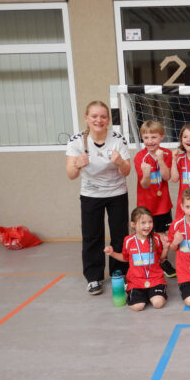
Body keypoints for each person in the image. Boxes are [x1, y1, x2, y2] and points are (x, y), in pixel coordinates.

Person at [66, 100, 131, 295]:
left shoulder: (118, 139)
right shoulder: (76, 141)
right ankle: (94, 277)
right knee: (92, 235)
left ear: (108, 120)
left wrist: (120, 162)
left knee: (119, 234)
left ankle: (119, 271)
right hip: (91, 194)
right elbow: (71, 174)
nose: (98, 120)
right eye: (94, 116)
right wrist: (77, 164)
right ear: (86, 118)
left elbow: (127, 171)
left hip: (117, 193)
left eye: (103, 116)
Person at [104, 207, 168, 311]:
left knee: (158, 303)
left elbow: (161, 259)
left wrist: (165, 248)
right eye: (143, 223)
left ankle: (153, 294)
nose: (147, 226)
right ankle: (141, 294)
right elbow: (125, 258)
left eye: (150, 222)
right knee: (137, 306)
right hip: (136, 281)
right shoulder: (128, 241)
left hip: (155, 279)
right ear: (133, 224)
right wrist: (112, 253)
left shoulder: (156, 238)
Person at [134, 120, 176, 278]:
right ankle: (149, 263)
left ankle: (163, 261)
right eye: (146, 137)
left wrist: (160, 160)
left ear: (161, 137)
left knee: (162, 236)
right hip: (146, 205)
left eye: (154, 137)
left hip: (163, 203)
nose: (150, 141)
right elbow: (144, 184)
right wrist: (145, 174)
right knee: (146, 234)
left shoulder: (167, 154)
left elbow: (167, 177)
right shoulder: (140, 157)